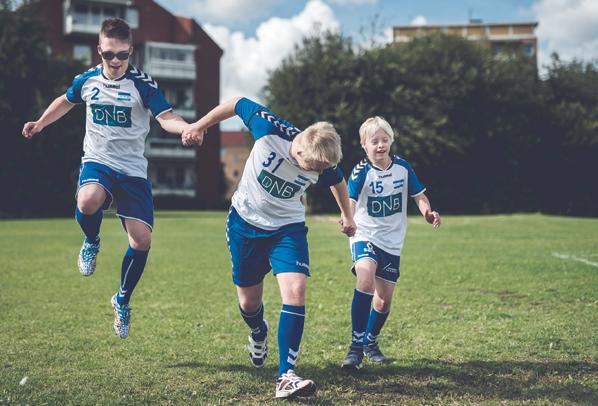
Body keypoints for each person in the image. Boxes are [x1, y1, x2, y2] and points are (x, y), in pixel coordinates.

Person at [21, 18, 190, 339]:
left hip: (132, 171)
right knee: (87, 199)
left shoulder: (143, 85)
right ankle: (91, 241)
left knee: (142, 241)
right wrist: (41, 122)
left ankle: (122, 300)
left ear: (131, 52)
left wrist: (188, 129)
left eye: (122, 55)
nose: (115, 62)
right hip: (98, 161)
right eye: (109, 54)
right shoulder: (87, 81)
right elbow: (65, 101)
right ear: (99, 50)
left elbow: (167, 117)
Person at [182, 97, 356, 399]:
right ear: (299, 149)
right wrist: (198, 126)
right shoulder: (268, 128)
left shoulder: (322, 161)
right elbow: (236, 102)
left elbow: (338, 181)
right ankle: (258, 332)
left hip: (287, 229)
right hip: (245, 225)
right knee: (249, 304)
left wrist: (347, 214)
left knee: (296, 292)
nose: (316, 172)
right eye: (312, 167)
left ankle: (285, 376)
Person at [340, 116, 441, 370]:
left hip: (392, 242)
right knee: (365, 277)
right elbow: (349, 201)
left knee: (384, 301)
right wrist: (347, 219)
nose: (380, 145)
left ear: (391, 141)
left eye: (385, 140)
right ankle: (355, 349)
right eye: (374, 141)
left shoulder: (403, 168)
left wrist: (428, 213)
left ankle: (370, 343)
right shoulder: (361, 171)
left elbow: (419, 196)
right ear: (364, 144)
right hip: (365, 235)